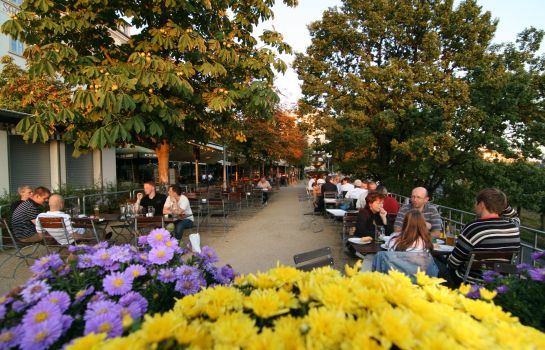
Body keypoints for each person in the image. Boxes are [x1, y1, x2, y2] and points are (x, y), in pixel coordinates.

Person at [446, 188, 520, 285]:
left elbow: (453, 263)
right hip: (499, 285)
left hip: (470, 283)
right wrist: (501, 204)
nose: (474, 205)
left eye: (475, 202)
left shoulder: (473, 227)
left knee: (436, 265)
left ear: (481, 204)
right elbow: (515, 215)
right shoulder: (514, 227)